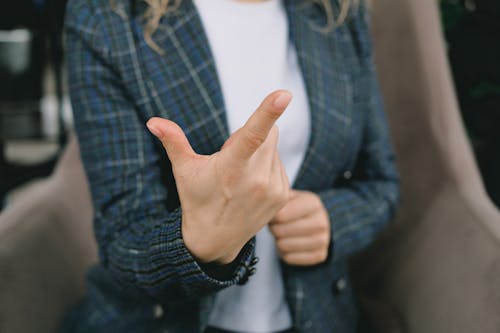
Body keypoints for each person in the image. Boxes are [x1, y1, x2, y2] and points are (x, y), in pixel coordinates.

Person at [61, 0, 399, 332]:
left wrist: (331, 220)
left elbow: (382, 184)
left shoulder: (338, 11)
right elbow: (122, 238)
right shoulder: (108, 16)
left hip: (319, 315)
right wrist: (196, 244)